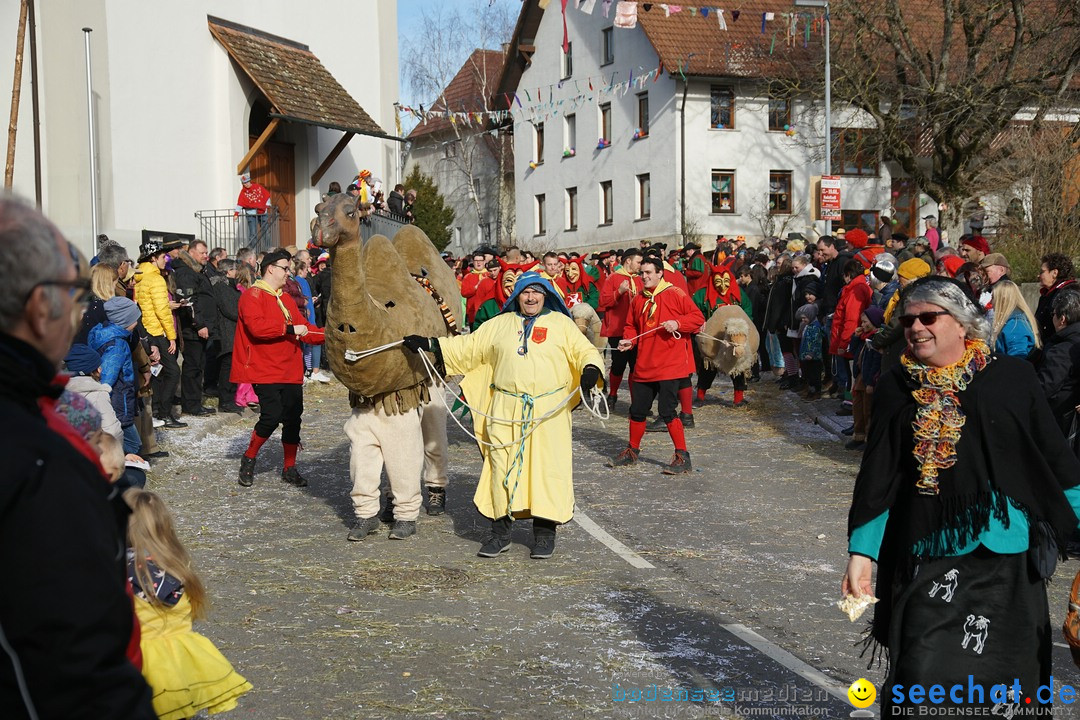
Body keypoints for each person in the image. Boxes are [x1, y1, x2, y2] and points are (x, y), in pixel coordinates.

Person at [843, 276, 1080, 716]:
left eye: (929, 316)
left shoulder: (1012, 376)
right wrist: (862, 554)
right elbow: (879, 475)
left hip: (1008, 557)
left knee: (1010, 680)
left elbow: (1053, 458)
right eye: (909, 319)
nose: (916, 327)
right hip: (929, 553)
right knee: (922, 671)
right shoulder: (899, 385)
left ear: (962, 323)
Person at [0, 196, 156, 718]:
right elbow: (78, 657)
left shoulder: (40, 412)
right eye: (73, 294)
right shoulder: (38, 454)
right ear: (41, 304)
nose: (80, 311)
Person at [403, 272, 602, 559]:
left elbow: (585, 351)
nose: (531, 298)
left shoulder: (562, 325)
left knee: (546, 472)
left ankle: (545, 535)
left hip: (548, 415)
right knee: (501, 470)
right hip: (506, 411)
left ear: (545, 295)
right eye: (525, 293)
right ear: (516, 296)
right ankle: (500, 534)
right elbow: (468, 348)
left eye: (536, 293)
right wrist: (431, 344)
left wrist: (591, 370)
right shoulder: (498, 325)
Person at [125, 489, 252, 718]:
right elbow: (190, 612)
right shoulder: (178, 571)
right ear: (165, 528)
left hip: (139, 671)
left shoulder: (117, 577)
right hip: (182, 670)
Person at [231, 249, 325, 487]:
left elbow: (304, 327)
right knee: (271, 417)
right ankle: (249, 457)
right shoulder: (252, 296)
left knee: (293, 419)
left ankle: (289, 467)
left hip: (290, 370)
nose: (289, 273)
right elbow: (257, 327)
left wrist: (331, 335)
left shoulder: (284, 298)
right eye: (285, 268)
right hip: (265, 369)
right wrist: (290, 329)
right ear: (271, 268)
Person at [609, 257, 704, 474]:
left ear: (660, 273)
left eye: (649, 273)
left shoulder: (675, 293)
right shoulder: (638, 299)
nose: (645, 277)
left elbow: (697, 318)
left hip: (670, 364)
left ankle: (682, 456)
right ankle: (632, 451)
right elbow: (631, 325)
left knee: (667, 411)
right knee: (637, 410)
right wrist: (628, 340)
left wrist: (678, 323)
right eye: (642, 273)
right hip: (645, 363)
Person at [134, 238, 186, 429]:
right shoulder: (155, 278)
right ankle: (164, 413)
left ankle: (156, 410)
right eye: (163, 256)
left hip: (145, 330)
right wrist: (171, 336)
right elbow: (162, 310)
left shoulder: (139, 276)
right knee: (173, 372)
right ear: (154, 258)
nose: (166, 259)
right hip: (156, 330)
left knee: (156, 372)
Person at [172, 239, 218, 416]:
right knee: (193, 367)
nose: (206, 256)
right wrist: (199, 324)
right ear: (191, 253)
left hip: (199, 327)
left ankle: (194, 401)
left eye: (207, 253)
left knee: (198, 366)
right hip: (191, 330)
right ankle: (191, 405)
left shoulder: (197, 270)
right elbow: (189, 301)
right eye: (202, 253)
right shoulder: (186, 273)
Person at [598, 248, 644, 406]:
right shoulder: (613, 278)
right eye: (638, 262)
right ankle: (613, 394)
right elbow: (603, 302)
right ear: (628, 261)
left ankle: (635, 401)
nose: (640, 265)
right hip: (618, 329)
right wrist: (619, 292)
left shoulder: (640, 279)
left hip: (636, 330)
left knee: (635, 366)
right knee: (618, 364)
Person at [1036, 288, 1080, 439]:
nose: (1052, 318)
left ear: (1062, 319)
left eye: (1053, 314)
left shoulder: (1061, 351)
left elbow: (1044, 388)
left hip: (1062, 420)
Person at [212, 259, 244, 413]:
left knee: (232, 366)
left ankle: (230, 397)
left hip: (233, 331)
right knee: (227, 367)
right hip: (227, 331)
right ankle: (225, 400)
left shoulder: (228, 287)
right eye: (234, 270)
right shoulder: (220, 287)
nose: (237, 272)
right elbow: (230, 309)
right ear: (228, 271)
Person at [989, 279, 1039, 359]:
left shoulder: (1015, 324)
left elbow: (1018, 358)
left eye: (993, 297)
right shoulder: (1011, 321)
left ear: (1002, 299)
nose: (991, 302)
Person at [1035, 252, 1077, 343]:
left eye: (1042, 272)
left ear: (1055, 273)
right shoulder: (1047, 294)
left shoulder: (1069, 294)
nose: (1038, 276)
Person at [235, 172, 271, 244]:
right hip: (251, 214)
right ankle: (252, 251)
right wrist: (236, 213)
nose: (247, 184)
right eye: (244, 183)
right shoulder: (243, 192)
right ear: (242, 184)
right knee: (253, 233)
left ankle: (268, 249)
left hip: (262, 212)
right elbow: (240, 203)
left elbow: (266, 195)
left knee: (266, 232)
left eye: (247, 182)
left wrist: (267, 205)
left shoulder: (258, 187)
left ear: (250, 181)